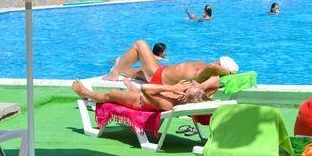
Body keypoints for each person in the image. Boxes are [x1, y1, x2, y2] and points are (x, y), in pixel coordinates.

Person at [106, 39, 237, 84]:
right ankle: (120, 68)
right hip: (161, 73)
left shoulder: (208, 72)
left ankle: (115, 73)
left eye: (218, 60)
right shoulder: (206, 70)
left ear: (220, 65)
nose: (215, 60)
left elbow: (213, 67)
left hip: (158, 76)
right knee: (135, 72)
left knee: (140, 44)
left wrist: (229, 72)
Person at [73, 78, 216, 113]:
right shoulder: (178, 97)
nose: (184, 89)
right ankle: (132, 88)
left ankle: (85, 93)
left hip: (139, 102)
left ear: (184, 98)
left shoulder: (169, 104)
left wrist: (171, 87)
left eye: (186, 90)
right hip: (142, 96)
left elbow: (146, 88)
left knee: (110, 94)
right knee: (132, 89)